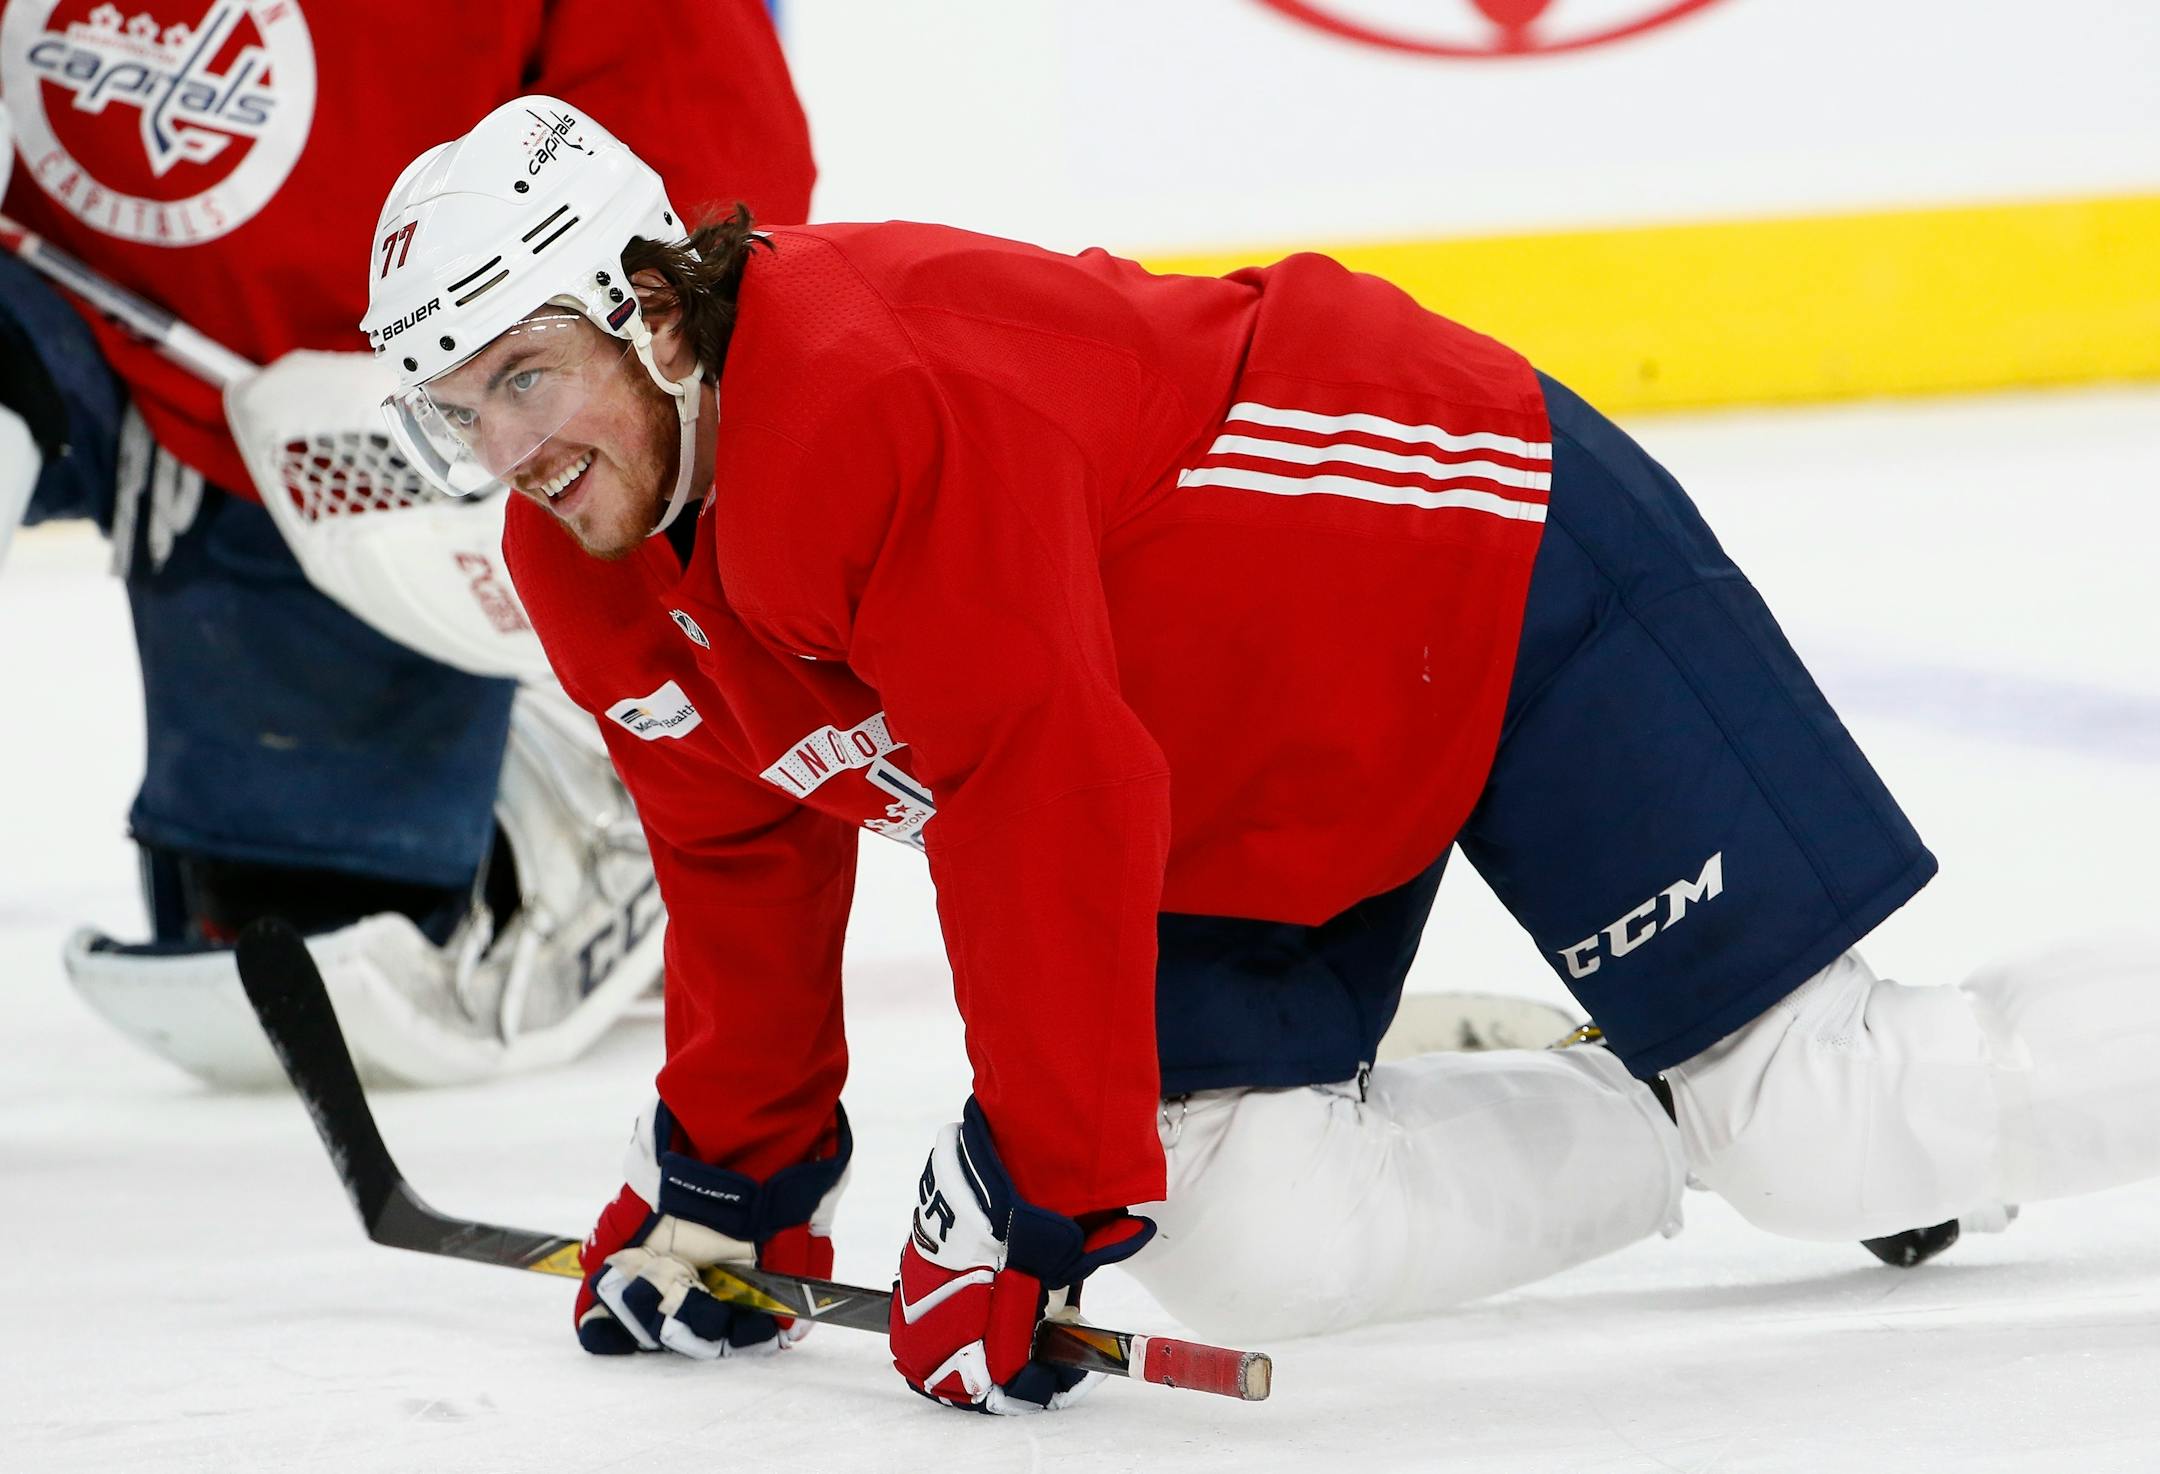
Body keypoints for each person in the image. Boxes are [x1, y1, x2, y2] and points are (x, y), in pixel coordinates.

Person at [361, 95, 2160, 1413]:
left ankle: (1778, 1098)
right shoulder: (588, 555)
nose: (505, 451)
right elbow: (742, 847)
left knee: (1824, 1116)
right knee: (1241, 1224)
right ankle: (1663, 1111)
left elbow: (1038, 783)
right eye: (458, 409)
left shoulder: (863, 401)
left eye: (527, 375)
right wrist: (730, 1186)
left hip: (1465, 554)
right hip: (1227, 767)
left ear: (656, 309)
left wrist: (1033, 1188)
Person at [0, 2, 814, 1085]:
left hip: (376, 427)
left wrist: (544, 416)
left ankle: (592, 756)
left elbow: (698, 187)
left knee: (295, 930)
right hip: (60, 299)